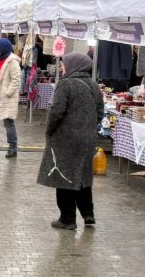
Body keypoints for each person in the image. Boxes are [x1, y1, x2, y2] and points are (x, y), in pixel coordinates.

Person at [37, 53, 100, 230]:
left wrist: (49, 131)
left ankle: (67, 218)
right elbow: (100, 112)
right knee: (83, 176)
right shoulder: (94, 85)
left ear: (74, 66)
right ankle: (88, 214)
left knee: (64, 177)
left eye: (64, 64)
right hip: (87, 138)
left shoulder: (65, 84)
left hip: (66, 138)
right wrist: (89, 128)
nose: (62, 67)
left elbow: (56, 112)